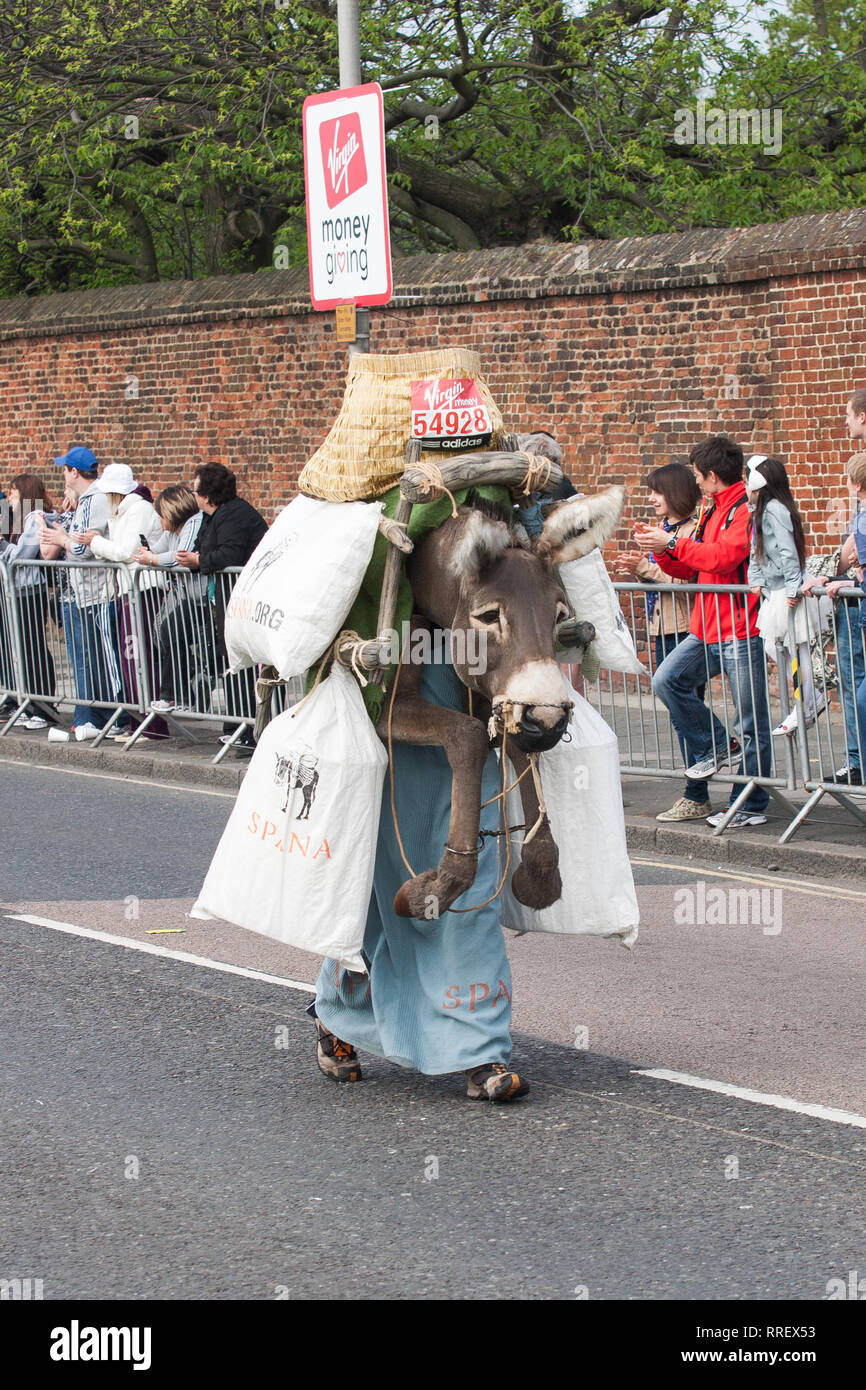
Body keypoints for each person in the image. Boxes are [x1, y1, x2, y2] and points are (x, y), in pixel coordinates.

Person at [635, 435, 773, 829]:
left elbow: (724, 557)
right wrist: (661, 548)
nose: (695, 483)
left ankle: (750, 802)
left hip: (740, 628)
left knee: (750, 721)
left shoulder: (744, 510)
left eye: (697, 476)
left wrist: (672, 541)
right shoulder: (714, 511)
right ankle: (716, 744)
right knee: (666, 680)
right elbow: (691, 568)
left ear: (712, 476)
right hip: (707, 627)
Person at [615, 462, 724, 821]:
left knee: (686, 712)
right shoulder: (664, 530)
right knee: (682, 714)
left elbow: (684, 582)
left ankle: (697, 792)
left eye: (657, 491)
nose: (652, 498)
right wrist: (638, 567)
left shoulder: (692, 531)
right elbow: (660, 581)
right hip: (663, 627)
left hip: (685, 627)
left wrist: (645, 569)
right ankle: (696, 789)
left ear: (675, 492)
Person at [174, 463, 267, 755]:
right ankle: (235, 725)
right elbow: (205, 546)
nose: (193, 494)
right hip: (225, 599)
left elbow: (229, 554)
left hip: (242, 600)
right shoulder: (212, 516)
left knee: (241, 663)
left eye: (195, 489)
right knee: (231, 662)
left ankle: (249, 728)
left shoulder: (234, 514)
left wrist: (199, 561)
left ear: (207, 494)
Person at [77, 463, 168, 740]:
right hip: (129, 590)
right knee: (131, 660)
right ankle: (137, 720)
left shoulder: (137, 510)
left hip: (143, 590)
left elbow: (124, 552)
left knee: (140, 658)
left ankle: (151, 727)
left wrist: (94, 542)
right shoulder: (124, 511)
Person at [38, 446, 123, 740]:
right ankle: (89, 716)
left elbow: (80, 548)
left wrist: (61, 538)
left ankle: (99, 717)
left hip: (93, 592)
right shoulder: (88, 500)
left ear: (74, 472)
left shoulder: (92, 499)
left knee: (93, 659)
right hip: (86, 591)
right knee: (87, 659)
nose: (62, 474)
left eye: (64, 469)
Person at [746, 455, 824, 738]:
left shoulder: (775, 510)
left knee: (794, 646)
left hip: (785, 588)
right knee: (776, 645)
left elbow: (788, 550)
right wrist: (756, 579)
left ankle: (806, 701)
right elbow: (757, 548)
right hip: (774, 588)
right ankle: (807, 699)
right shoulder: (759, 511)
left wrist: (793, 586)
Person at [803, 447, 866, 785]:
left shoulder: (862, 519)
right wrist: (837, 580)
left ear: (854, 485)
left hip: (859, 608)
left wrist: (841, 581)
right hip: (852, 601)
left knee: (857, 689)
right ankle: (857, 762)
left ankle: (859, 763)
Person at [131, 484, 209, 713]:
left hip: (200, 597)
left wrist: (152, 559)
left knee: (171, 632)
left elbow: (178, 558)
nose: (159, 520)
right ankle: (188, 681)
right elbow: (157, 551)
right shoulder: (171, 532)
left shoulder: (193, 524)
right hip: (183, 594)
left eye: (161, 514)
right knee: (161, 633)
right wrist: (146, 552)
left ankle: (177, 693)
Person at [0, 474, 60, 728]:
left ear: (24, 494)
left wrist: (2, 544)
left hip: (28, 591)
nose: (9, 498)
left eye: (13, 493)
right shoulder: (20, 518)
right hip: (16, 591)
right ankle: (25, 700)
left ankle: (43, 706)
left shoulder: (35, 518)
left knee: (32, 648)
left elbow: (22, 555)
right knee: (20, 649)